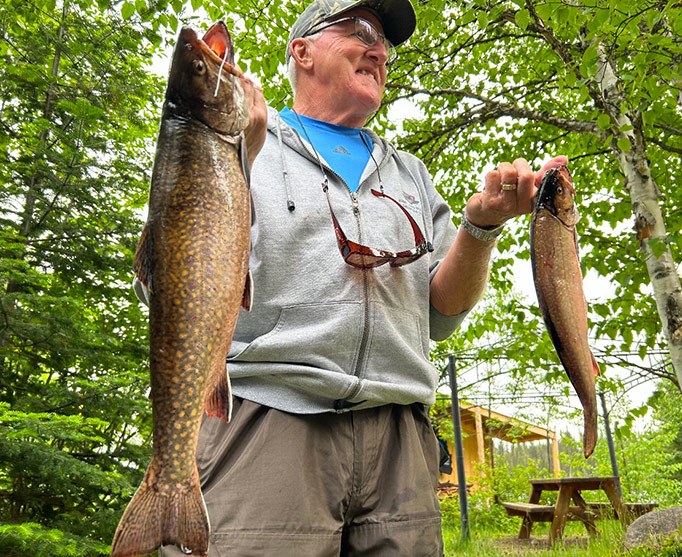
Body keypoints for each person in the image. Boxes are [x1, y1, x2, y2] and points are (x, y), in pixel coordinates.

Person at [157, 0, 567, 555]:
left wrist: (480, 226)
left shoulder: (409, 174)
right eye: (362, 31)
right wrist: (240, 155)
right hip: (268, 424)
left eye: (387, 43)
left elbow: (440, 315)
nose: (380, 50)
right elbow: (169, 288)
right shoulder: (235, 138)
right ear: (302, 51)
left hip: (401, 441)